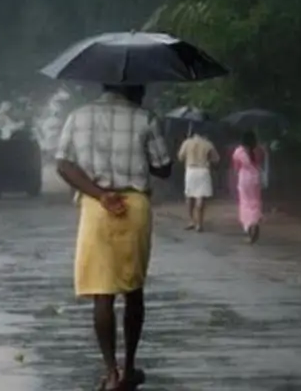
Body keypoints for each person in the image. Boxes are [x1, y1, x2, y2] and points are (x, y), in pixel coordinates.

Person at [56, 84, 172, 391]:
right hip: (134, 206)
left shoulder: (78, 117)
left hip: (96, 206)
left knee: (102, 292)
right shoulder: (145, 117)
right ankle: (130, 367)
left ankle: (110, 373)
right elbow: (164, 168)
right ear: (133, 87)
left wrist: (100, 194)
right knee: (133, 289)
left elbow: (63, 164)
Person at [177, 124, 220, 232]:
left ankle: (191, 220)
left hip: (190, 170)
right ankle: (199, 223)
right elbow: (216, 159)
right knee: (200, 197)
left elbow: (180, 157)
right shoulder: (207, 144)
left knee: (189, 196)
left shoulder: (187, 142)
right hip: (203, 170)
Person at [232, 130, 266, 243]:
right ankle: (255, 220)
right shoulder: (259, 150)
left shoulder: (239, 151)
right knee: (255, 201)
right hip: (256, 177)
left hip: (244, 177)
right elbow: (261, 162)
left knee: (245, 202)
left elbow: (236, 167)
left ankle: (249, 225)